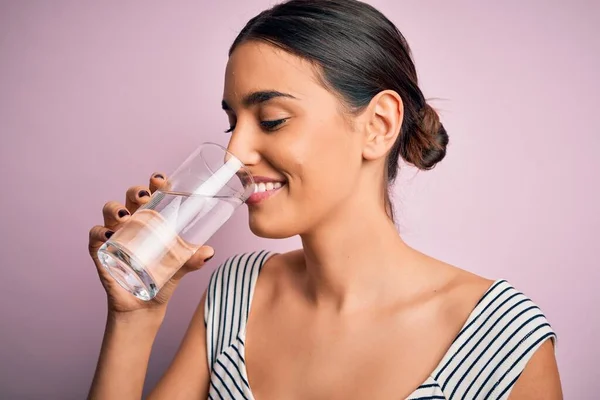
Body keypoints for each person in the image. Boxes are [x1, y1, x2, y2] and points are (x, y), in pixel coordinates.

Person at [87, 1, 562, 399]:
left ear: (378, 126)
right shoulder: (236, 293)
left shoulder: (503, 341)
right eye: (233, 122)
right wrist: (134, 317)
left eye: (271, 119)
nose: (234, 154)